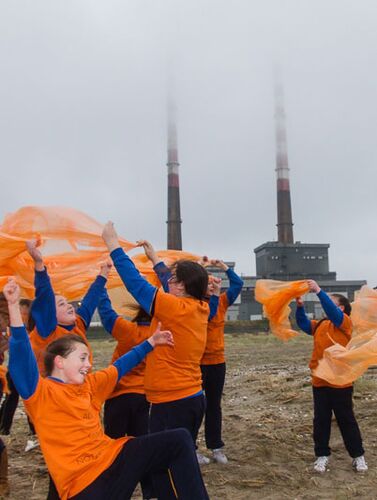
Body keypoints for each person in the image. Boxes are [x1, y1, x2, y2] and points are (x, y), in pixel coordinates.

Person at [5, 278, 209, 500]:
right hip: (84, 486)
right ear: (60, 362)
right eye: (82, 358)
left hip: (113, 461)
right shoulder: (40, 394)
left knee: (179, 440)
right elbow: (21, 357)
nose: (88, 364)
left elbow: (120, 367)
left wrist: (151, 342)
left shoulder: (90, 385)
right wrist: (14, 307)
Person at [102, 224, 209, 450]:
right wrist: (154, 259)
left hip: (173, 402)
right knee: (179, 460)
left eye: (173, 279)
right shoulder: (199, 306)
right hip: (191, 397)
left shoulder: (175, 308)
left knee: (164, 465)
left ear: (182, 286)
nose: (167, 282)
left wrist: (113, 246)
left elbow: (136, 284)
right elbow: (169, 289)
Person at [295, 279, 367, 473]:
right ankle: (322, 456)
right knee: (321, 420)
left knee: (346, 419)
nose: (325, 306)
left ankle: (358, 456)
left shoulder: (345, 323)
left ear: (341, 308)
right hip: (320, 382)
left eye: (330, 302)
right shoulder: (320, 325)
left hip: (341, 383)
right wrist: (300, 307)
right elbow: (302, 324)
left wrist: (318, 291)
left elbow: (333, 313)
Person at [98, 291, 154, 498]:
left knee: (112, 443)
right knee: (141, 443)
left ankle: (109, 484)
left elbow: (106, 314)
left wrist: (101, 289)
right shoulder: (159, 335)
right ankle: (149, 489)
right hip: (143, 397)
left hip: (118, 395)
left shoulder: (127, 330)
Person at [26, 239, 109, 374]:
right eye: (61, 304)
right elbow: (45, 296)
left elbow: (90, 300)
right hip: (53, 392)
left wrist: (104, 272)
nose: (69, 306)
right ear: (51, 313)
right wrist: (39, 264)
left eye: (67, 302)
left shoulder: (78, 325)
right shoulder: (47, 332)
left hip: (78, 390)